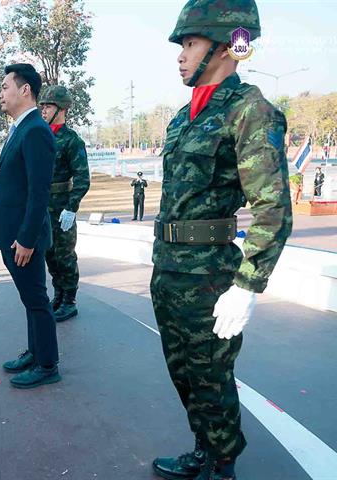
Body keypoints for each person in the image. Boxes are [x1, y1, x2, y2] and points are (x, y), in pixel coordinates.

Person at [150, 2, 293, 480]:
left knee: (211, 379)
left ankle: (223, 464)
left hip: (209, 275)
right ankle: (203, 449)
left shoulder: (250, 110)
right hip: (169, 268)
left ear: (221, 46)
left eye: (189, 43)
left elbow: (273, 208)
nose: (180, 55)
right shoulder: (180, 117)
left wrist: (248, 284)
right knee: (183, 374)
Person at [0, 63, 60, 389]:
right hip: (14, 234)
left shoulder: (34, 131)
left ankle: (47, 364)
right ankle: (35, 352)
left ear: (24, 89)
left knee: (36, 299)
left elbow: (39, 192)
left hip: (23, 238)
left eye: (5, 87)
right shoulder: (22, 127)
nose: (0, 93)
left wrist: (27, 239)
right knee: (30, 298)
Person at [38, 85, 90, 322]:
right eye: (43, 106)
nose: (44, 110)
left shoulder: (71, 141)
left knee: (65, 256)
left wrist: (71, 207)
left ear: (61, 108)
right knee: (50, 254)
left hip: (61, 209)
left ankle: (70, 301)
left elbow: (82, 179)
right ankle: (58, 296)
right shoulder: (41, 135)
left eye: (48, 106)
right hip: (42, 207)